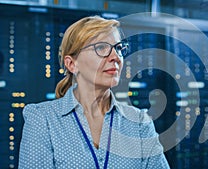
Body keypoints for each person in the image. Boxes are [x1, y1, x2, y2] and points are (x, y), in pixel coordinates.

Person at [19, 15, 170, 169]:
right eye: (101, 48)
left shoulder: (138, 122)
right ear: (72, 64)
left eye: (118, 48)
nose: (115, 57)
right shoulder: (43, 119)